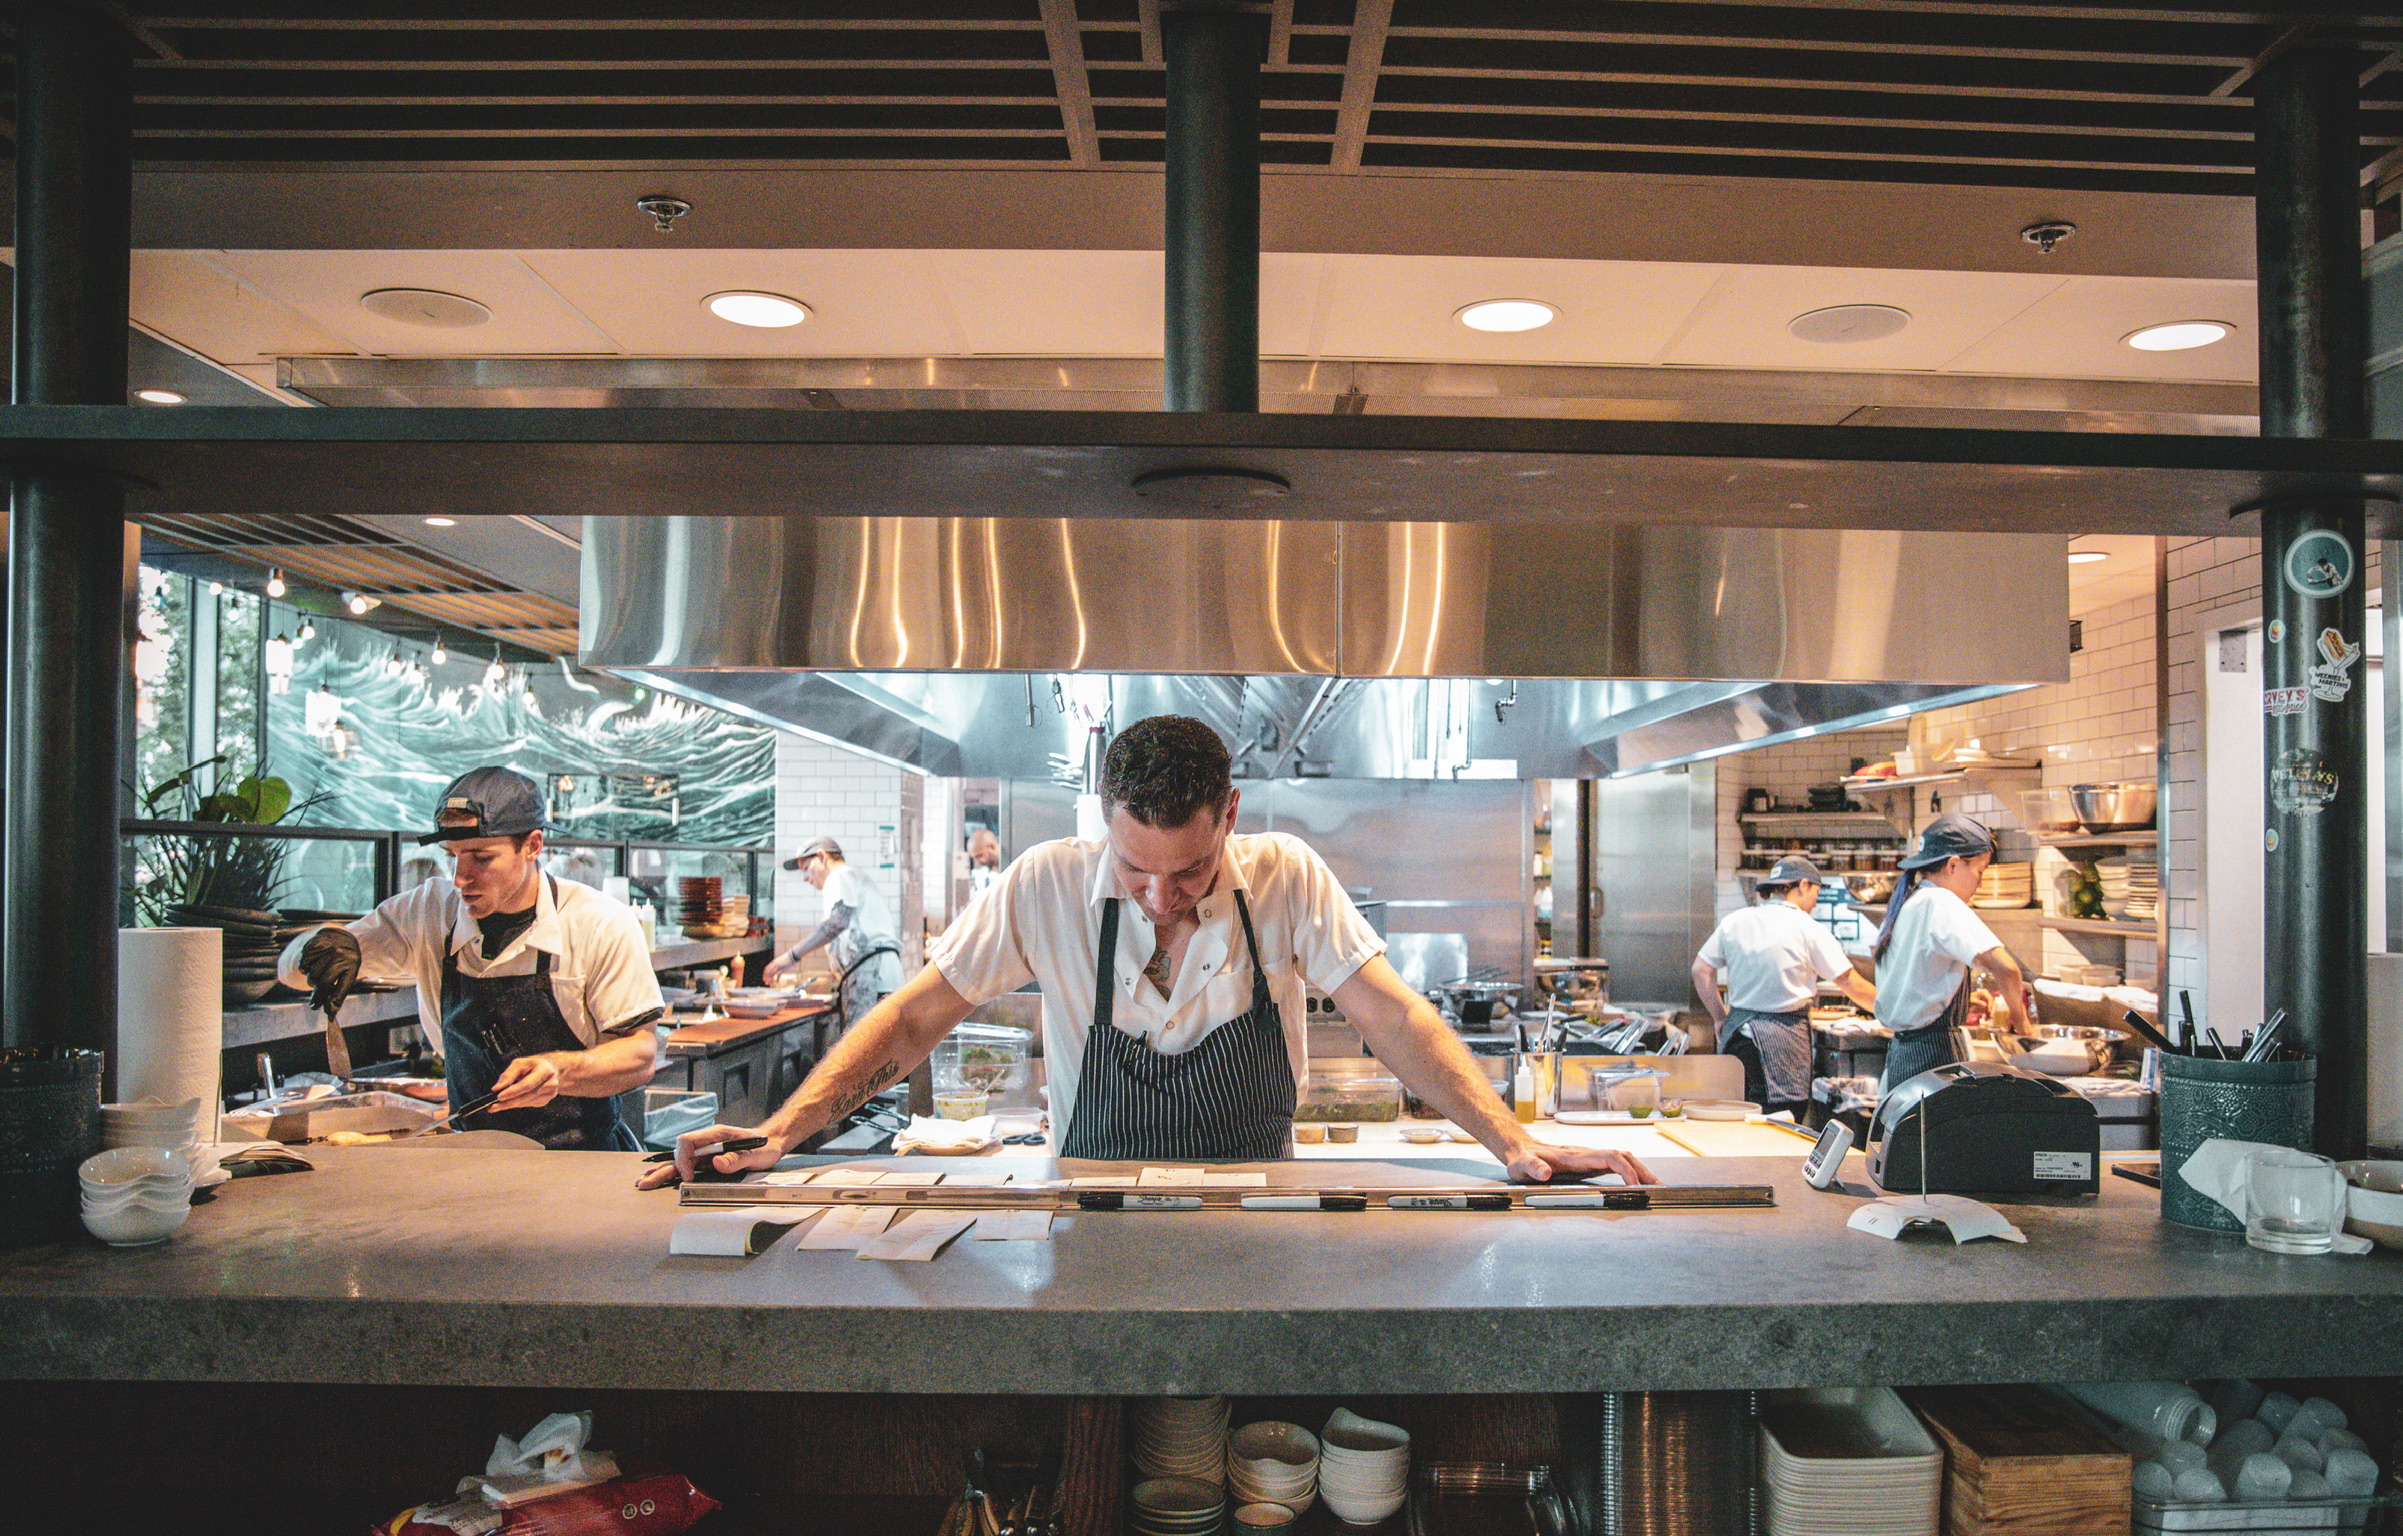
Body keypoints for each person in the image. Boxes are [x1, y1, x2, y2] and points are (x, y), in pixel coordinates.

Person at [641, 714, 1657, 1188]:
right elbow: (913, 1017)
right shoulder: (1042, 883)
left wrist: (1512, 1144)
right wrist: (785, 1130)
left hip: (1261, 1209)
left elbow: (1393, 1017)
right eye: (1135, 871)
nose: (1163, 898)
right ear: (1102, 823)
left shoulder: (1287, 877)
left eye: (1191, 871)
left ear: (1231, 817)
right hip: (1088, 1211)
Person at [279, 766, 665, 1150]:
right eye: (452, 856)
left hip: (582, 1159)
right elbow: (291, 971)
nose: (460, 878)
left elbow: (640, 1054)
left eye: (481, 858)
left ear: (532, 846)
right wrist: (320, 948)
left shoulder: (598, 922)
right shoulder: (430, 912)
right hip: (471, 1157)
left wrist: (558, 1071)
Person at [1690, 854, 1877, 1120]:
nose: (1816, 902)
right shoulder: (1807, 928)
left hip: (1737, 1040)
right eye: (1816, 893)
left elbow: (1700, 971)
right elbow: (1848, 981)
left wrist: (1720, 1017)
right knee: (1782, 1120)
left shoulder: (1736, 921)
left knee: (1734, 1119)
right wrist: (1889, 1011)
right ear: (1803, 885)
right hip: (1782, 1043)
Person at [1870, 811, 2032, 1091]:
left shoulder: (1910, 901)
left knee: (1912, 1122)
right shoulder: (1940, 901)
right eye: (1980, 871)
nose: (1980, 882)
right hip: (1933, 1056)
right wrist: (2022, 1026)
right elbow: (2007, 969)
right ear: (1954, 865)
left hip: (1903, 1056)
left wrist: (1959, 1001)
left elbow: (1913, 984)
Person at [764, 837, 904, 1028]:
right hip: (875, 976)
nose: (805, 877)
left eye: (806, 868)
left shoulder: (840, 875)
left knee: (861, 1044)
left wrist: (791, 956)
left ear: (822, 857)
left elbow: (837, 923)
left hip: (871, 977)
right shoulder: (850, 878)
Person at [966, 826, 1003, 895]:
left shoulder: (1011, 865)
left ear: (992, 847)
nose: (977, 862)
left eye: (980, 856)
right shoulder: (983, 874)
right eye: (974, 858)